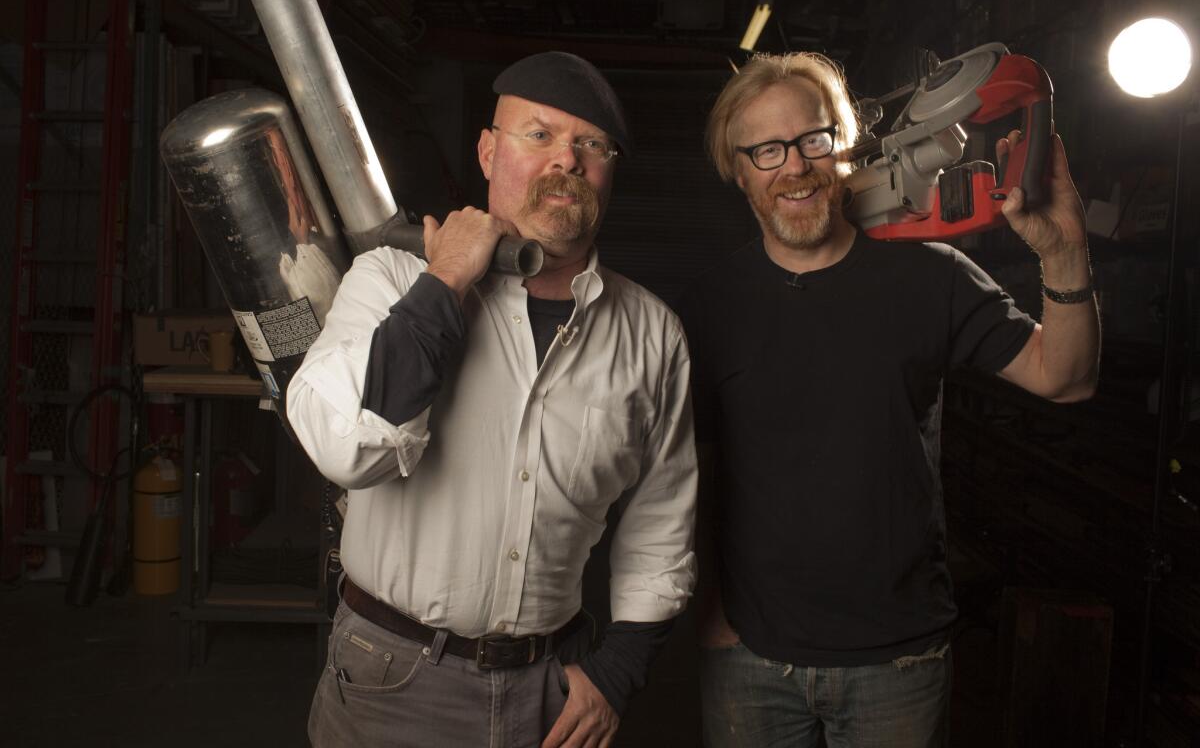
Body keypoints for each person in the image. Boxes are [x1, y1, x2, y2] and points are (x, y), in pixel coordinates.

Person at [679, 52, 1100, 747]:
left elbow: (1067, 376)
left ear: (843, 147)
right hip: (751, 657)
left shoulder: (929, 277)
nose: (795, 167)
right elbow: (692, 468)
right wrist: (714, 616)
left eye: (814, 140)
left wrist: (1065, 255)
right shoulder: (709, 305)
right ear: (738, 168)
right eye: (767, 150)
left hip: (897, 661)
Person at [288, 52, 697, 748]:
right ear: (486, 151)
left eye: (591, 145)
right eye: (537, 135)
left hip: (554, 697)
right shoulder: (391, 279)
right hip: (391, 683)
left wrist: (619, 673)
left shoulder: (651, 333)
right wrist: (445, 280)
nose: (566, 160)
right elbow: (344, 448)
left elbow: (660, 528)